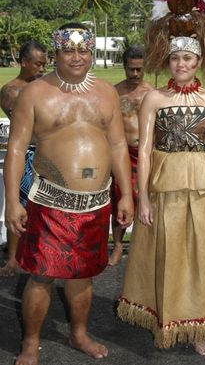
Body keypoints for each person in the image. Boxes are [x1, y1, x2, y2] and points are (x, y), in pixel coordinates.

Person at [4, 22, 134, 364]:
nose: (76, 57)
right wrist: (11, 203)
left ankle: (78, 335)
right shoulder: (34, 93)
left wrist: (127, 194)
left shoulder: (107, 93)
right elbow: (16, 149)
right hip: (50, 202)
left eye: (83, 50)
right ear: (55, 53)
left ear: (91, 52)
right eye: (68, 50)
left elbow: (119, 144)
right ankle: (31, 342)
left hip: (96, 203)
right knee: (42, 275)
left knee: (83, 275)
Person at [117, 0, 205, 356]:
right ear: (166, 60)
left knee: (203, 259)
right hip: (164, 192)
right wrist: (143, 198)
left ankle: (200, 327)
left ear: (200, 61)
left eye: (188, 58)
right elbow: (147, 151)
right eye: (175, 58)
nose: (181, 64)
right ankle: (163, 319)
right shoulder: (153, 99)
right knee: (165, 258)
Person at [0, 40, 47, 276]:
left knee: (46, 207)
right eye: (37, 64)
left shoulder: (47, 88)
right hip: (25, 155)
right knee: (18, 205)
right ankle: (12, 260)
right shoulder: (11, 90)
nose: (41, 69)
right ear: (24, 63)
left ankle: (42, 253)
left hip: (47, 154)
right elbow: (26, 127)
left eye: (44, 65)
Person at [109, 45, 154, 266]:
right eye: (131, 69)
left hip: (145, 153)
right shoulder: (114, 92)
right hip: (122, 153)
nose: (135, 74)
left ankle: (141, 246)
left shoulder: (152, 93)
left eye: (139, 69)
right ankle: (118, 245)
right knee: (120, 197)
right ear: (124, 67)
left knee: (146, 197)